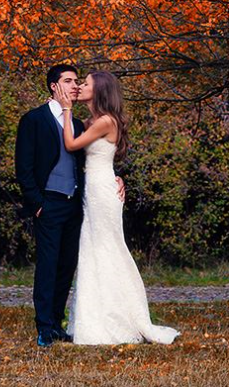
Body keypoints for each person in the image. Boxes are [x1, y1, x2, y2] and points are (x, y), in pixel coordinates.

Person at [54, 70, 179, 345]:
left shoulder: (105, 121)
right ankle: (95, 317)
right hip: (95, 187)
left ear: (98, 91)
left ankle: (117, 318)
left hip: (101, 191)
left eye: (85, 84)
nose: (80, 87)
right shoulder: (93, 121)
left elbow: (71, 144)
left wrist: (65, 110)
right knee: (93, 249)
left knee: (107, 248)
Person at [14, 64, 124, 347]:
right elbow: (23, 168)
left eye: (78, 81)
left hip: (76, 204)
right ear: (54, 86)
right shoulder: (34, 120)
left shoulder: (77, 123)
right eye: (69, 81)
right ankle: (44, 327)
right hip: (48, 203)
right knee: (48, 266)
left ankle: (58, 323)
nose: (75, 86)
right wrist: (37, 204)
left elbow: (95, 159)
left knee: (66, 266)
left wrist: (117, 177)